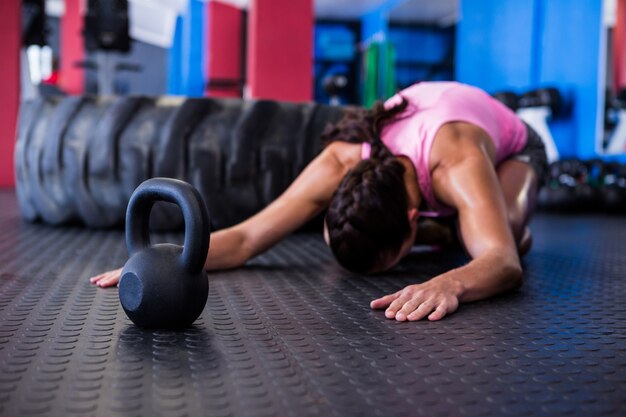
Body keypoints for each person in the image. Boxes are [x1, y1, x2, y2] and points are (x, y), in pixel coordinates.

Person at [90, 81, 548, 322]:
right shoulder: (338, 163)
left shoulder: (458, 164)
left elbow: (503, 261)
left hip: (514, 148)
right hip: (435, 145)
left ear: (413, 219)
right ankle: (455, 226)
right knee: (474, 231)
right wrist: (172, 258)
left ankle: (456, 225)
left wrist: (449, 284)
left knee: (504, 228)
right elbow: (250, 236)